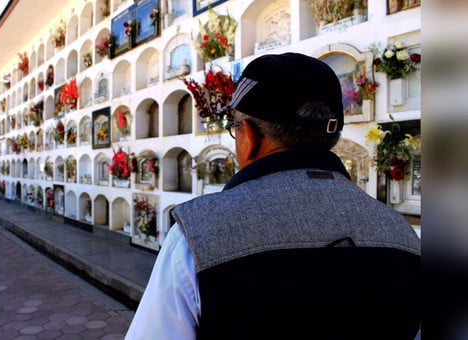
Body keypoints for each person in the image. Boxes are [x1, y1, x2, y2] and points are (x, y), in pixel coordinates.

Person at [125, 53, 420, 340]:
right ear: (331, 136)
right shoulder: (402, 234)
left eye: (234, 129)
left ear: (250, 136)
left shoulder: (195, 237)